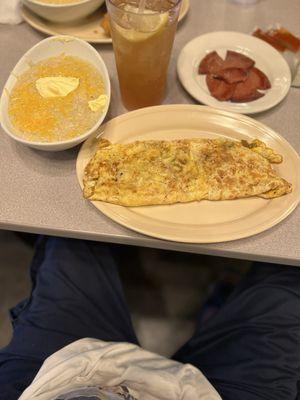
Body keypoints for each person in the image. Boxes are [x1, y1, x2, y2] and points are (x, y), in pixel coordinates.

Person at [0, 236, 299, 400]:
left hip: (50, 382)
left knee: (70, 241)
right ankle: (230, 305)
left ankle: (228, 307)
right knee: (288, 283)